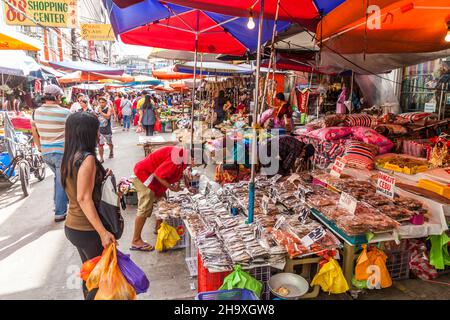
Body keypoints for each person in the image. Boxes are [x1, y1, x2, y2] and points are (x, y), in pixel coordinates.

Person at [61, 112, 116, 300]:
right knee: (100, 282)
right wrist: (102, 232)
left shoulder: (69, 155)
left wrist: (100, 177)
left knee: (91, 276)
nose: (98, 133)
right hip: (88, 229)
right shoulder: (87, 159)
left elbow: (77, 189)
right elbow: (84, 198)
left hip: (74, 227)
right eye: (96, 129)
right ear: (87, 132)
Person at [130, 146, 198, 251]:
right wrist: (171, 188)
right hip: (144, 175)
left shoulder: (184, 157)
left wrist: (187, 186)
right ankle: (136, 240)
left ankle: (158, 228)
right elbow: (159, 175)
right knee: (145, 206)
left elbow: (177, 173)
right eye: (197, 163)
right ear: (193, 158)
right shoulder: (179, 156)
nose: (196, 165)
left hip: (152, 176)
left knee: (163, 201)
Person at [31, 84, 70, 222]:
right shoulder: (65, 113)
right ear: (57, 97)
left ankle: (58, 204)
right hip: (61, 153)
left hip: (46, 153)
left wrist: (40, 147)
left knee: (58, 179)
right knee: (61, 181)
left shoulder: (36, 112)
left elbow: (34, 131)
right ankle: (60, 212)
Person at [96, 96, 114, 163]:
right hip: (100, 130)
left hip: (107, 129)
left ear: (106, 102)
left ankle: (111, 151)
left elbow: (108, 116)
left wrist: (100, 112)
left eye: (103, 102)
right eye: (100, 102)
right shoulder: (97, 108)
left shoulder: (108, 108)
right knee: (100, 145)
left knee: (109, 143)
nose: (101, 104)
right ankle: (101, 158)